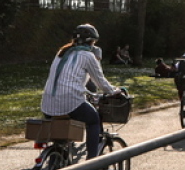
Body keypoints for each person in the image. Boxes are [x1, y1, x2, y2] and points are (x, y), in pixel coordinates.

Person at [41, 24, 123, 160]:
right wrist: (114, 91)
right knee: (93, 120)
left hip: (47, 103)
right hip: (69, 101)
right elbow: (100, 82)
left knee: (60, 138)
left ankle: (56, 162)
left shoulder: (61, 53)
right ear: (91, 41)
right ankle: (92, 162)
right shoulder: (88, 56)